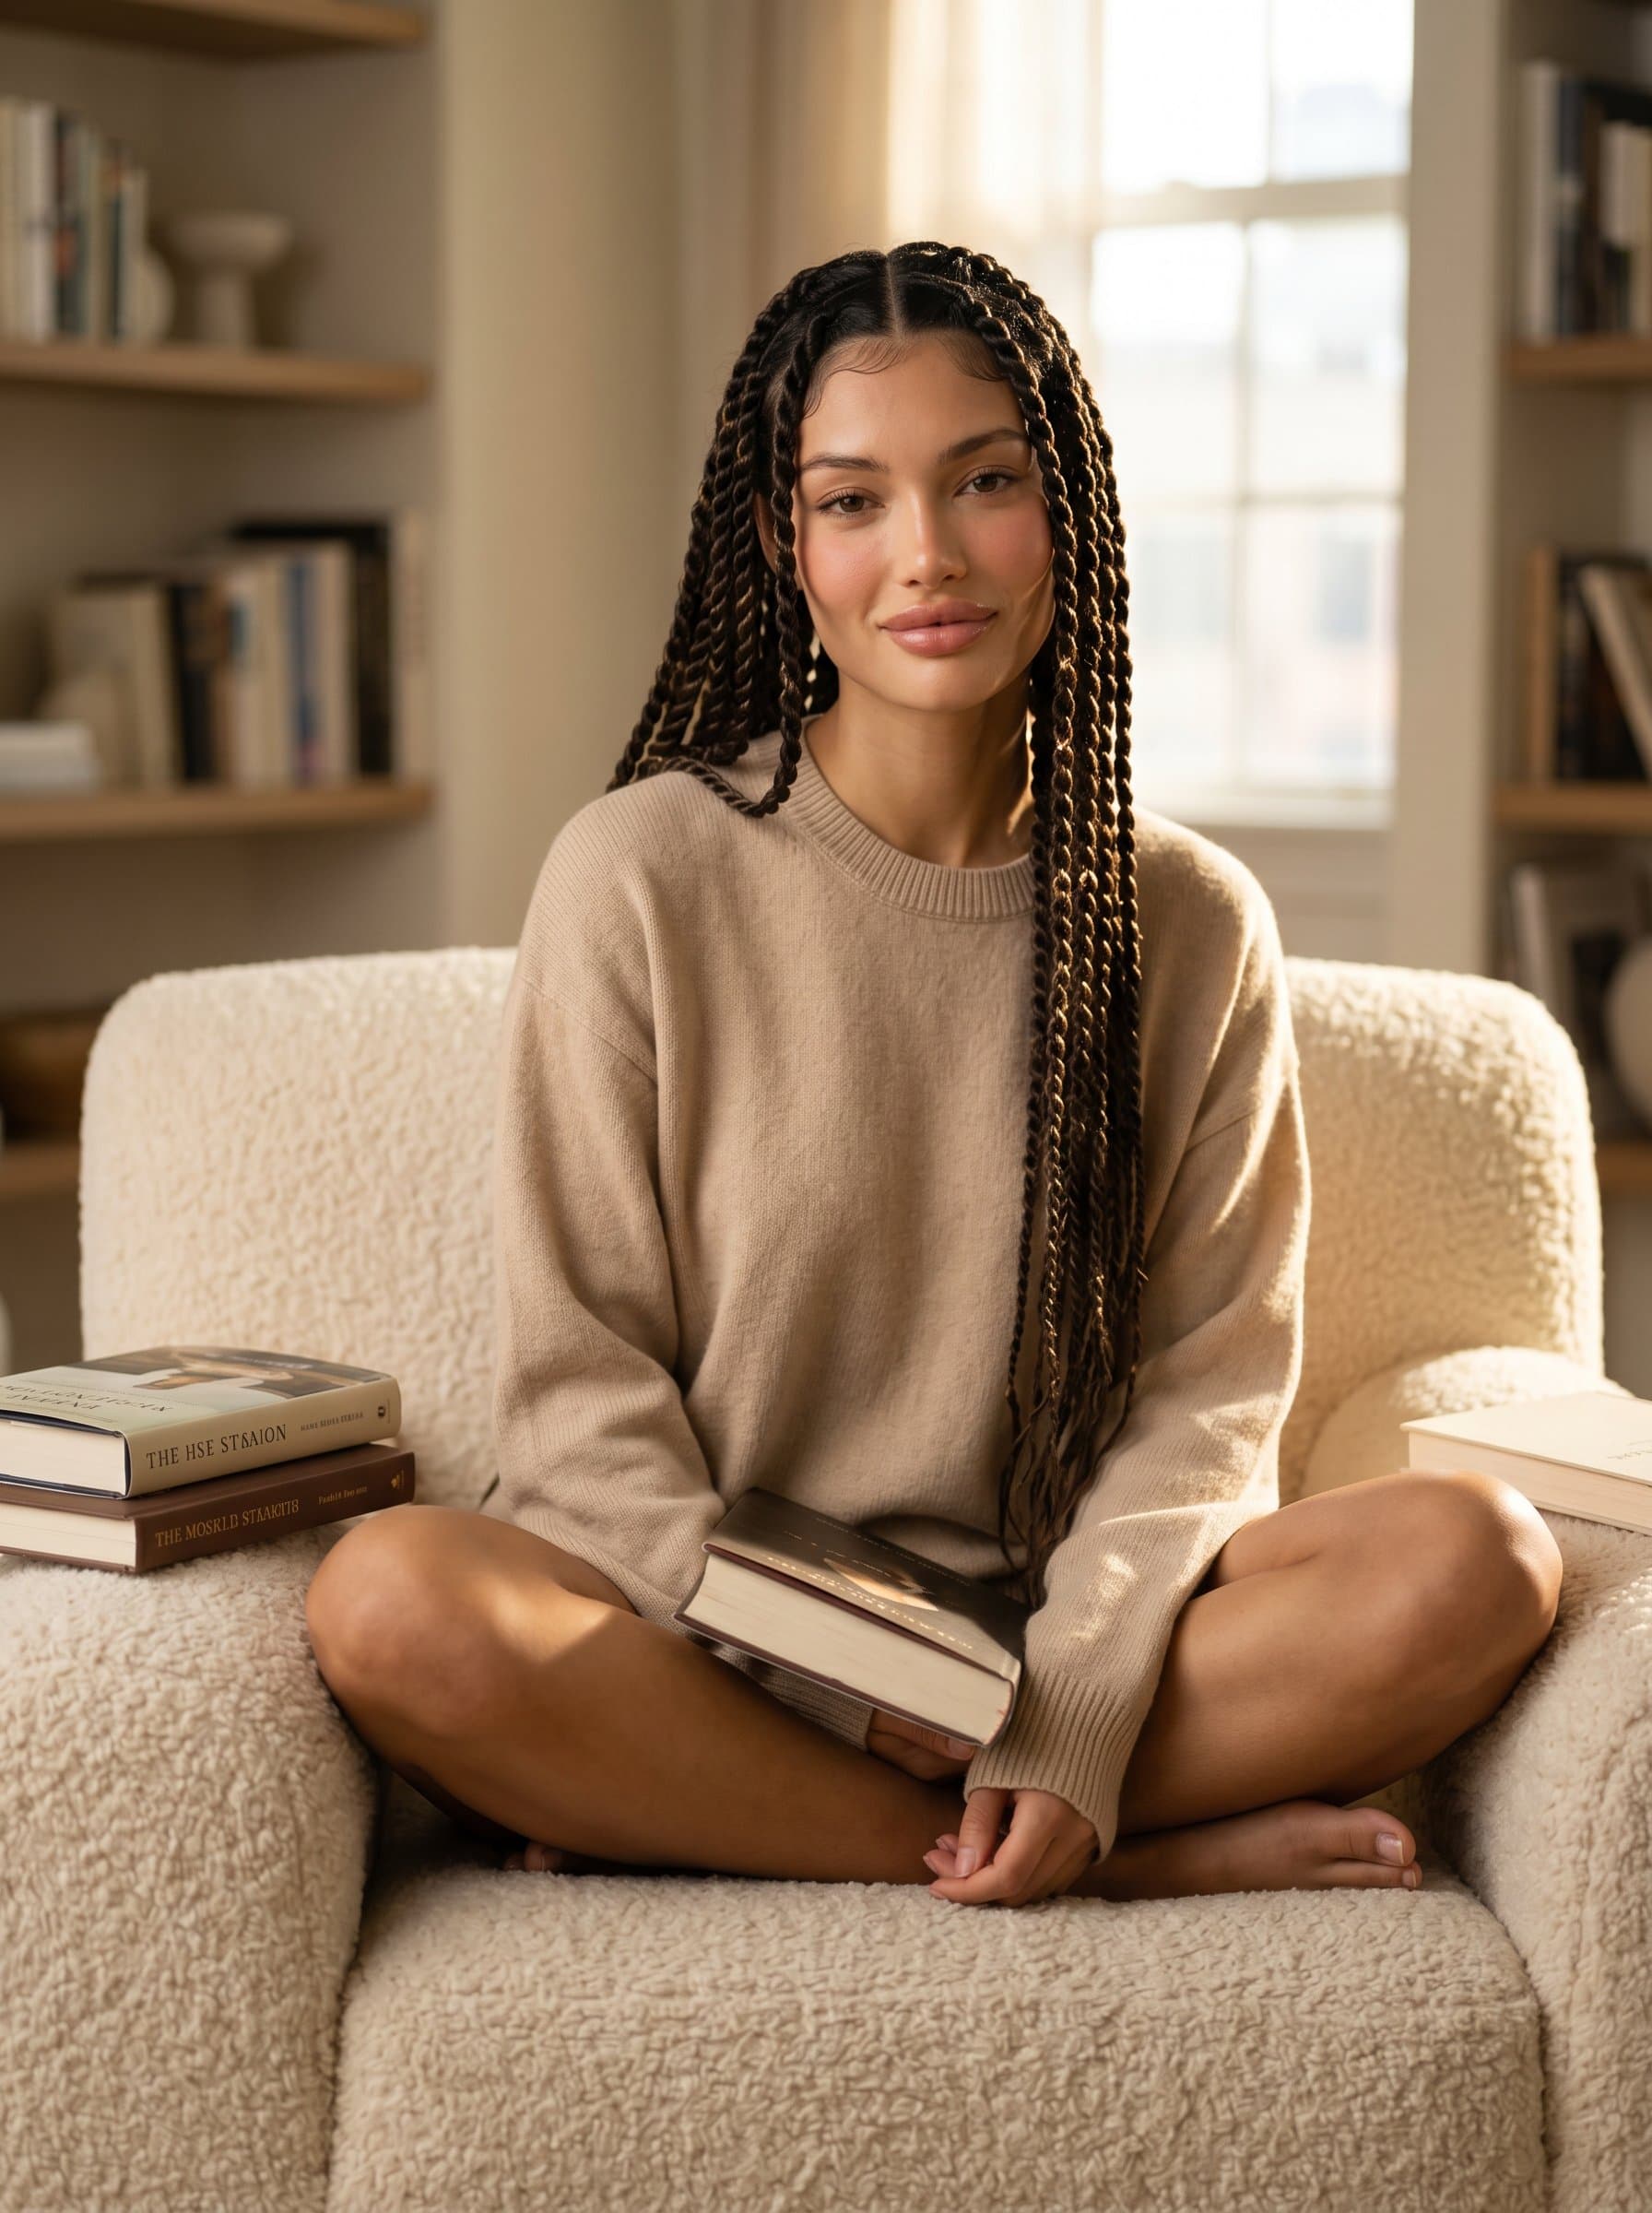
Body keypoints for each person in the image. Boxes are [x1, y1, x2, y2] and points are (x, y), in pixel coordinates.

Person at [303, 243, 1564, 1910]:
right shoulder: (638, 875)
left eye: (986, 482)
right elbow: (580, 1393)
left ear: (1069, 512)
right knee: (391, 1601)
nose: (928, 556)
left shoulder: (1186, 921)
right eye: (853, 501)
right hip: (728, 1643)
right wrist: (832, 1669)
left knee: (1479, 1558)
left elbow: (1210, 1399)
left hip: (1067, 1640)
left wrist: (1075, 1710)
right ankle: (1111, 1864)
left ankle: (992, 1810)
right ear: (785, 543)